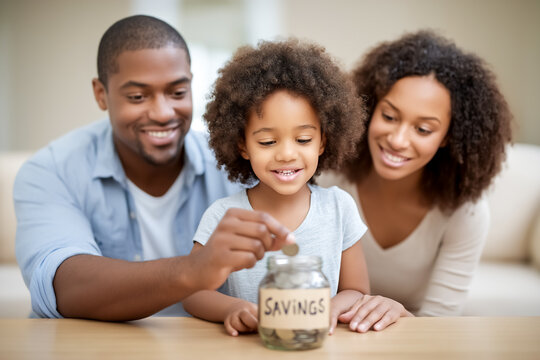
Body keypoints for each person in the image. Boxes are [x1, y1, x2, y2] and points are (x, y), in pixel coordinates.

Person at [13, 15, 295, 320]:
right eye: (137, 96)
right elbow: (62, 286)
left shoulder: (238, 165)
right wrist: (193, 270)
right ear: (101, 94)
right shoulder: (51, 171)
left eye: (177, 93)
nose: (163, 113)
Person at [182, 39, 389, 337]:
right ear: (242, 145)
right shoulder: (224, 215)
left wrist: (330, 309)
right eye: (268, 142)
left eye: (303, 139)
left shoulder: (338, 208)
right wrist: (231, 309)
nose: (287, 154)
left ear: (323, 141)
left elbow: (356, 289)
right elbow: (193, 293)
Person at [317, 30, 513, 317]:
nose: (397, 140)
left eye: (423, 129)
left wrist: (399, 314)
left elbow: (440, 322)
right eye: (389, 116)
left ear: (448, 136)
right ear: (369, 109)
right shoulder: (327, 178)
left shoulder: (465, 212)